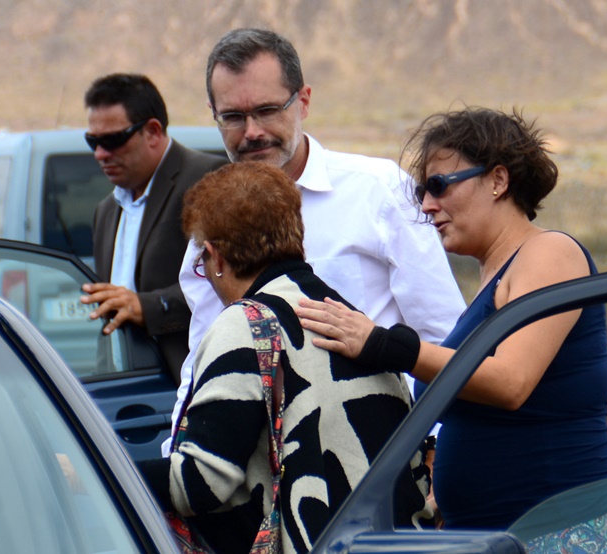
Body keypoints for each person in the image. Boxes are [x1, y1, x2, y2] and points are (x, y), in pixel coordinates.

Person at [295, 107, 607, 551]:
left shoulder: (550, 253)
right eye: (422, 191)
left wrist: (384, 344)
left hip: (566, 536)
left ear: (498, 180)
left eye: (439, 185)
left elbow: (510, 382)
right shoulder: (491, 284)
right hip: (500, 538)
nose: (426, 205)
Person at [163, 28, 466, 453]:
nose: (251, 132)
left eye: (267, 110)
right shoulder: (211, 220)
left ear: (303, 100)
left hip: (381, 461)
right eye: (233, 117)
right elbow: (204, 361)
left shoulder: (377, 191)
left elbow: (444, 336)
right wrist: (177, 457)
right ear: (212, 114)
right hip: (269, 474)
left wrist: (433, 450)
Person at [138, 161, 431, 554]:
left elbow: (200, 483)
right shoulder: (348, 318)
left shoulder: (245, 326)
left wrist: (98, 470)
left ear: (216, 258)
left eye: (201, 264)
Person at [80, 73, 226, 383]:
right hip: (126, 386)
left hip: (192, 385)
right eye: (92, 141)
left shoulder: (208, 179)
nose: (100, 154)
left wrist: (147, 307)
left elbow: (228, 283)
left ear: (153, 131)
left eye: (112, 140)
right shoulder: (105, 211)